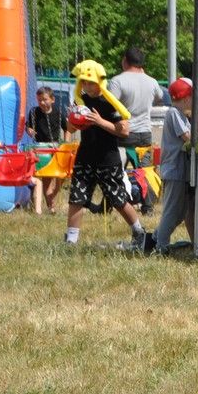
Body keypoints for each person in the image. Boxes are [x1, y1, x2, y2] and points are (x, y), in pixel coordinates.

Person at [64, 59, 149, 251]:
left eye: (91, 82)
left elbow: (124, 131)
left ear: (100, 81)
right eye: (84, 82)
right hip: (85, 156)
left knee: (117, 198)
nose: (87, 86)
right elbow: (69, 127)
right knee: (77, 198)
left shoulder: (110, 102)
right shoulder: (81, 101)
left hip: (107, 159)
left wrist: (99, 121)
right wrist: (76, 122)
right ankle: (71, 240)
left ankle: (139, 232)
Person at [154, 78, 198, 253]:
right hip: (174, 169)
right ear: (187, 98)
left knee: (180, 213)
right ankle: (161, 246)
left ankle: (156, 237)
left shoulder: (180, 115)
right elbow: (189, 138)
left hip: (179, 171)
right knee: (172, 211)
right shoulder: (174, 113)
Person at [107, 47, 165, 149]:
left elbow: (109, 107)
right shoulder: (152, 82)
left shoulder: (117, 81)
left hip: (124, 133)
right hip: (146, 133)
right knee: (145, 165)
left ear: (125, 60)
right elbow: (159, 97)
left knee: (121, 165)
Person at [25, 86, 66, 212]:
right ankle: (51, 207)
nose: (42, 103)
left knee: (61, 176)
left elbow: (67, 128)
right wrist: (29, 130)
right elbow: (28, 127)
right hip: (41, 148)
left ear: (52, 99)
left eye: (45, 99)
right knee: (47, 177)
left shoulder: (58, 113)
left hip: (55, 147)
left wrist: (65, 143)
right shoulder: (34, 112)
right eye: (39, 100)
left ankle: (51, 197)